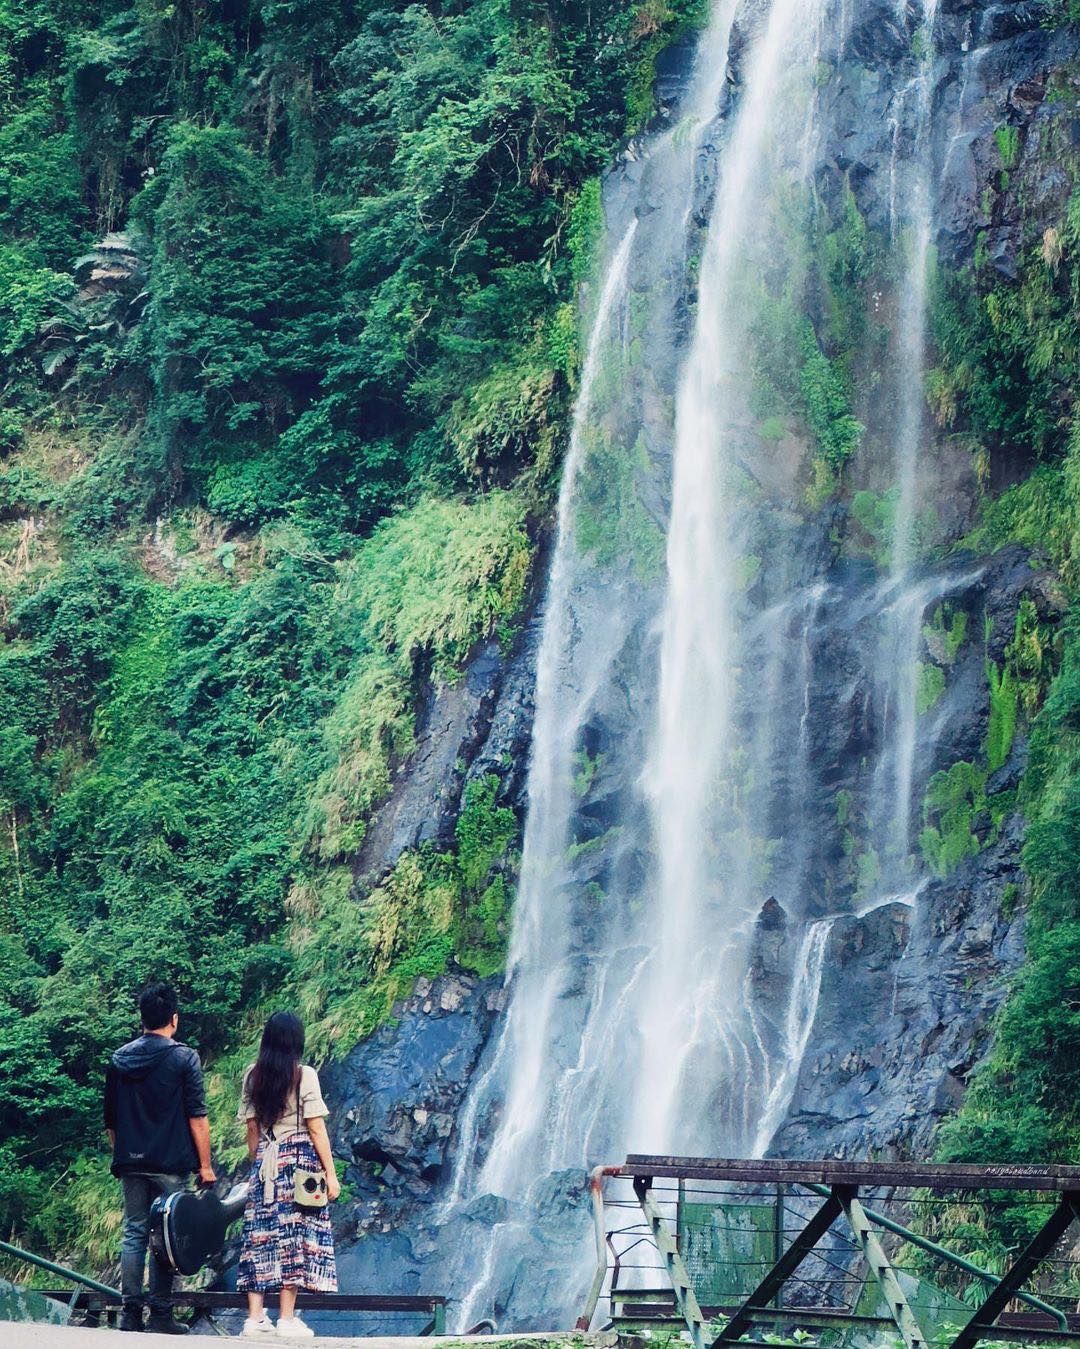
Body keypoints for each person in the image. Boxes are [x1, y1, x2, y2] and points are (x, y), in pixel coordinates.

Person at [104, 982, 216, 1334]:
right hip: (170, 1162)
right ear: (174, 1019)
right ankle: (162, 1315)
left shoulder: (119, 1059)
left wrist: (124, 1153)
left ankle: (130, 1315)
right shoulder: (184, 1058)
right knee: (166, 1232)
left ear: (142, 1019)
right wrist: (205, 1166)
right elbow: (196, 1115)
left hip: (131, 1161)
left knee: (134, 1231)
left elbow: (111, 1121)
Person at [236, 1012, 340, 1340]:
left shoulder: (253, 1075)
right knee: (294, 1234)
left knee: (259, 1234)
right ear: (296, 1040)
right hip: (299, 1160)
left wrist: (259, 1162)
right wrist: (331, 1175)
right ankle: (286, 1317)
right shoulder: (304, 1075)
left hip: (266, 1161)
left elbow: (252, 1128)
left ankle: (254, 1318)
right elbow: (316, 1127)